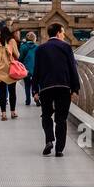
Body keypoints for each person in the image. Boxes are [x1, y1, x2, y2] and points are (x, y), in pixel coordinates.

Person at [32, 22, 80, 155]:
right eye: (63, 33)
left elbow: (36, 70)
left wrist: (35, 90)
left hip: (46, 87)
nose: (64, 35)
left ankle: (49, 140)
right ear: (58, 33)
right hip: (63, 86)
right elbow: (72, 68)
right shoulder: (66, 47)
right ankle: (59, 149)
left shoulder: (40, 49)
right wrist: (75, 88)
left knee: (46, 115)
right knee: (61, 119)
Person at [0, 24, 21, 120]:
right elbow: (17, 55)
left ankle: (3, 114)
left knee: (2, 93)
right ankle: (13, 112)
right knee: (12, 92)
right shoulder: (12, 41)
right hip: (11, 70)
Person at [19, 31, 38, 105]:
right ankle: (36, 97)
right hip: (35, 69)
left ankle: (28, 100)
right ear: (34, 39)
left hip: (26, 69)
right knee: (36, 84)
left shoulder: (23, 47)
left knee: (27, 85)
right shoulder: (37, 47)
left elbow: (20, 58)